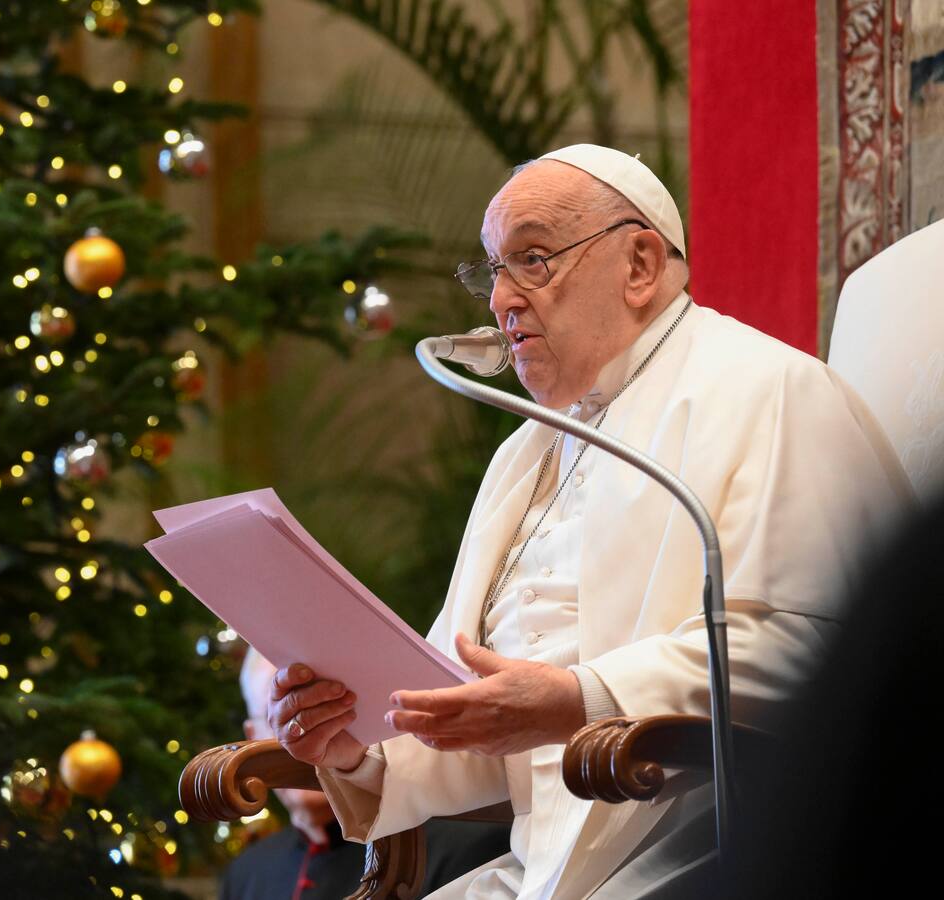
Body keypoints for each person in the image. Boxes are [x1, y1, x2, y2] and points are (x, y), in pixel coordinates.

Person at [264, 144, 913, 899]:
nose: (500, 299)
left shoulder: (773, 392)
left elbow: (827, 651)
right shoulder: (526, 452)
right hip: (541, 869)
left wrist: (583, 698)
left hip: (717, 847)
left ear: (640, 265)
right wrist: (352, 746)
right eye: (492, 270)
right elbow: (472, 713)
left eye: (532, 259)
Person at [221, 648, 511, 900]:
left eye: (319, 709)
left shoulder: (464, 848)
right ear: (252, 736)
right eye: (280, 717)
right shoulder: (246, 872)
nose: (303, 738)